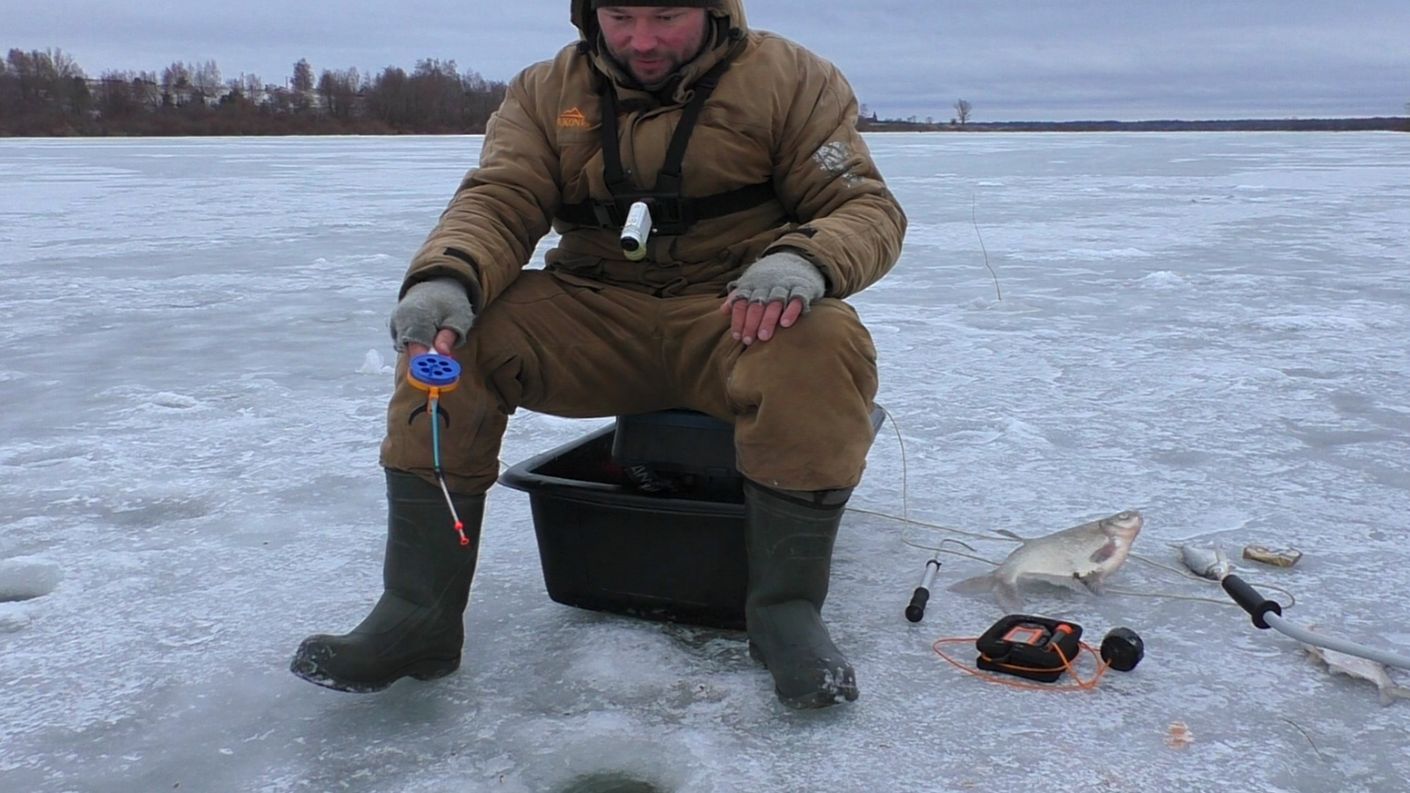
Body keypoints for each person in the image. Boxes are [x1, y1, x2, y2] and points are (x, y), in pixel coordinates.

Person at [291, 0, 905, 709]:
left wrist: (806, 260)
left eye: (667, 16)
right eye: (620, 16)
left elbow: (863, 206)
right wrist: (445, 277)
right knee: (455, 345)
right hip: (594, 310)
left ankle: (783, 613)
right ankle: (417, 616)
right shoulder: (546, 91)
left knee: (824, 341)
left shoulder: (791, 78)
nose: (641, 40)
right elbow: (500, 199)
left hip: (733, 309)